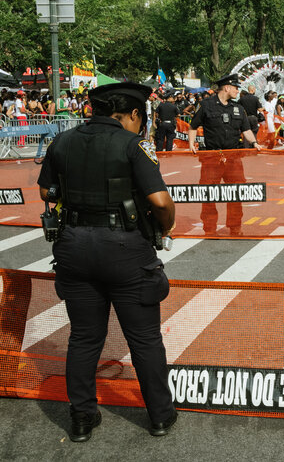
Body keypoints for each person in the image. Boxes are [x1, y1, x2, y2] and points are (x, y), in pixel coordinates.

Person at [36, 82, 178, 441]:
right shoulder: (133, 146)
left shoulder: (62, 142)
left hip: (73, 247)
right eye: (139, 119)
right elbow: (160, 202)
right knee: (144, 339)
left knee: (83, 338)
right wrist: (164, 229)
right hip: (125, 249)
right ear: (131, 115)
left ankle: (82, 418)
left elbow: (44, 191)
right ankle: (160, 416)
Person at [188, 73, 261, 236]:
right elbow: (193, 126)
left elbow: (246, 130)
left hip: (233, 158)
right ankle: (210, 228)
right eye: (235, 88)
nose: (237, 91)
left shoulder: (238, 108)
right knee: (208, 193)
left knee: (236, 192)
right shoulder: (206, 105)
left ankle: (235, 227)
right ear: (226, 88)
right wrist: (191, 144)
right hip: (212, 158)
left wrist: (255, 142)